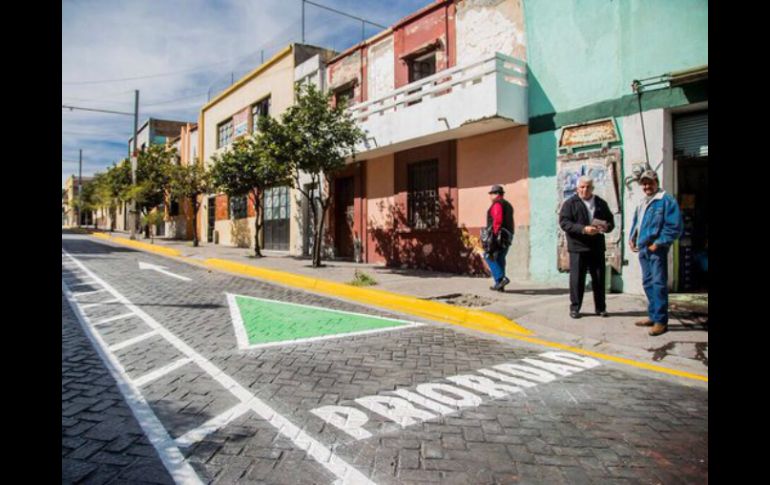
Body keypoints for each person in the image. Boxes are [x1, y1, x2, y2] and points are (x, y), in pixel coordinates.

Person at [629, 169, 683, 336]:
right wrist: (632, 238)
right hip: (643, 248)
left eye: (649, 183)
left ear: (656, 182)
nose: (646, 186)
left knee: (659, 284)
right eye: (644, 183)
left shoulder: (666, 200)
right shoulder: (644, 201)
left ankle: (661, 321)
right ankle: (653, 315)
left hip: (656, 249)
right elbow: (637, 222)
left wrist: (659, 242)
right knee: (648, 283)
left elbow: (674, 226)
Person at [559, 175, 615, 319]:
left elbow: (610, 222)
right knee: (577, 279)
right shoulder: (570, 203)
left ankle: (600, 308)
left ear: (593, 188)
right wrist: (583, 229)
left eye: (588, 187)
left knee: (599, 278)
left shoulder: (601, 203)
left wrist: (605, 227)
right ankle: (575, 308)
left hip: (596, 246)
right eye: (582, 187)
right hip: (578, 247)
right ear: (577, 188)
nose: (585, 190)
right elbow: (565, 223)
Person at [483, 185, 514, 292]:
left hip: (499, 235)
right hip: (508, 234)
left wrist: (495, 236)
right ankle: (500, 285)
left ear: (496, 194)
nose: (490, 196)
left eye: (491, 193)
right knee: (500, 258)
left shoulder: (497, 204)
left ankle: (501, 279)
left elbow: (497, 220)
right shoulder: (508, 205)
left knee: (488, 255)